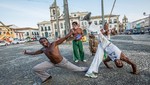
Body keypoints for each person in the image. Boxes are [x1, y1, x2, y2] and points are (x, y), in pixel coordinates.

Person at [24, 29, 88, 84]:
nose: (43, 43)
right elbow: (34, 53)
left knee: (78, 69)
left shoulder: (54, 44)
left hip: (62, 62)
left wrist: (70, 32)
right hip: (51, 63)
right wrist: (26, 52)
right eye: (41, 42)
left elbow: (64, 38)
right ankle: (46, 77)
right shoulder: (43, 49)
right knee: (36, 68)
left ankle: (89, 69)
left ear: (47, 40)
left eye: (44, 41)